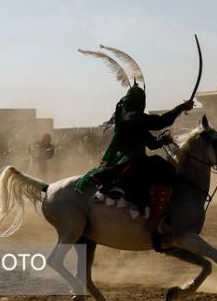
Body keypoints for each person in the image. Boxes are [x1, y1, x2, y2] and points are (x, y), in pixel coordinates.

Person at [76, 80, 194, 233]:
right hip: (130, 159)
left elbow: (151, 144)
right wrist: (181, 108)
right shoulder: (133, 117)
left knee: (158, 165)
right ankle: (157, 219)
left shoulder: (132, 118)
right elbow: (160, 122)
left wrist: (163, 140)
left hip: (132, 159)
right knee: (166, 169)